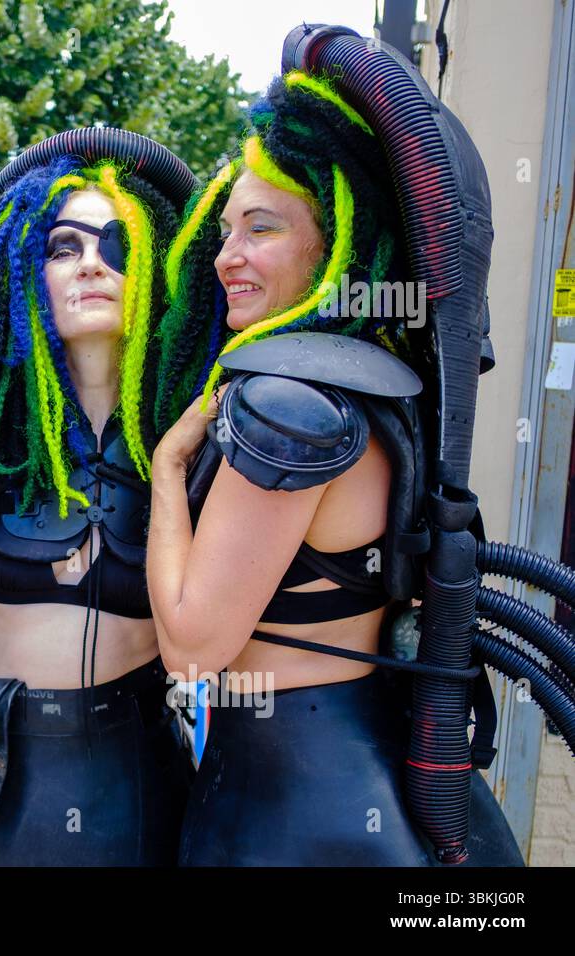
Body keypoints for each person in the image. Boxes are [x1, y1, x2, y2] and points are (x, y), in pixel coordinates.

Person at [145, 70, 525, 865]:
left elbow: (189, 648)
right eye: (224, 232)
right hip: (358, 763)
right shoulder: (373, 382)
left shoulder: (288, 406)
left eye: (261, 229)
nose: (226, 257)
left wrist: (165, 472)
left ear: (338, 241)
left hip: (288, 801)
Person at [0, 129, 197, 866]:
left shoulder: (189, 435)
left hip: (132, 769)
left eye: (115, 245)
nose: (91, 264)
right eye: (63, 246)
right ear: (28, 272)